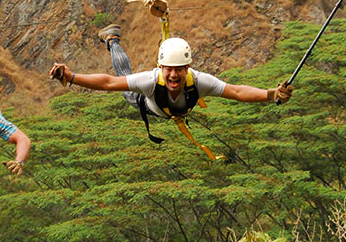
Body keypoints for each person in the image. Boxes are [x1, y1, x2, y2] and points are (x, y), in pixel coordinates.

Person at [49, 24, 292, 152]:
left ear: (188, 67)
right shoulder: (151, 80)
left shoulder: (199, 81)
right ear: (161, 66)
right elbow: (108, 83)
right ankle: (112, 41)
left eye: (179, 69)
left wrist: (271, 95)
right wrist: (71, 77)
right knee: (125, 76)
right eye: (168, 69)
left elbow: (236, 92)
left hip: (174, 109)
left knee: (128, 76)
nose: (174, 75)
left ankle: (112, 41)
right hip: (144, 102)